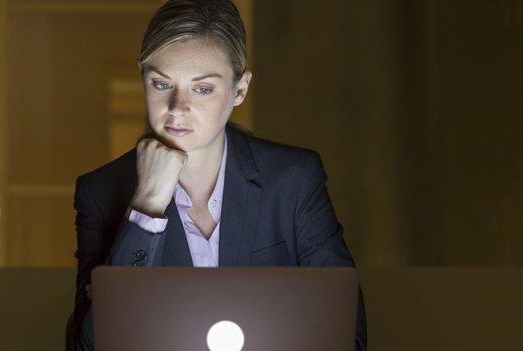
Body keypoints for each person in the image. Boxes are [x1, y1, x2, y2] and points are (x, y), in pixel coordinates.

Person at [72, 0, 367, 350]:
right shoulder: (101, 191)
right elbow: (89, 346)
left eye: (203, 88)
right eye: (162, 84)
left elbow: (346, 333)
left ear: (239, 90)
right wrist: (147, 204)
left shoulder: (294, 180)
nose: (177, 107)